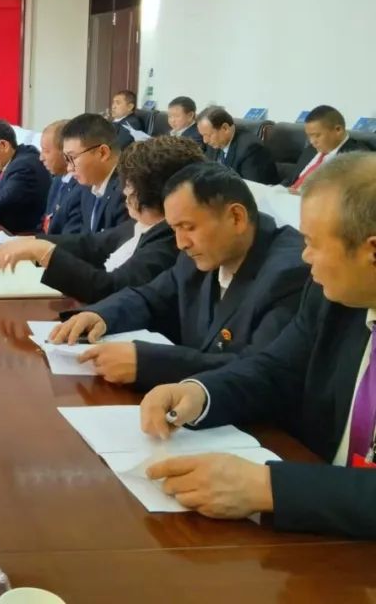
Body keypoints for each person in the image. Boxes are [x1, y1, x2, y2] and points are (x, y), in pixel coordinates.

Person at [138, 154, 376, 538]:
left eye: (313, 243)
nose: (305, 256)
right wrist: (200, 393)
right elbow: (276, 369)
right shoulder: (334, 298)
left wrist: (268, 488)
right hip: (319, 535)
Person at [50, 162, 308, 390]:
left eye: (188, 227)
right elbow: (150, 297)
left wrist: (147, 364)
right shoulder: (202, 252)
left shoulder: (289, 273)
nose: (181, 243)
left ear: (236, 217)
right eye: (174, 229)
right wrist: (101, 315)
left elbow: (258, 370)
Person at [0, 136, 206, 304]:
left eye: (130, 185)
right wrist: (32, 241)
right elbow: (92, 244)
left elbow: (110, 288)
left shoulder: (169, 239)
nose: (125, 192)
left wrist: (44, 252)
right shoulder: (142, 223)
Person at [59, 114, 132, 235]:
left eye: (72, 158)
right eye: (66, 159)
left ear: (103, 153)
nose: (69, 168)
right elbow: (85, 239)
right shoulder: (88, 186)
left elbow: (113, 243)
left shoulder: (128, 192)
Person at [281, 105, 369, 190]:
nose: (312, 141)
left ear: (338, 130)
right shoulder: (310, 150)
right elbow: (291, 181)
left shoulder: (358, 158)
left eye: (317, 135)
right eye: (309, 136)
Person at [197, 107, 279, 185]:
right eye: (203, 135)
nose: (205, 140)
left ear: (225, 128)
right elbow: (207, 171)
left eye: (208, 135)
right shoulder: (214, 144)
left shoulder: (251, 149)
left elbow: (250, 189)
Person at [38, 119, 78, 234]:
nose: (41, 158)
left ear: (65, 151)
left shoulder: (80, 187)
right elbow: (46, 222)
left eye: (46, 151)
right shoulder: (57, 180)